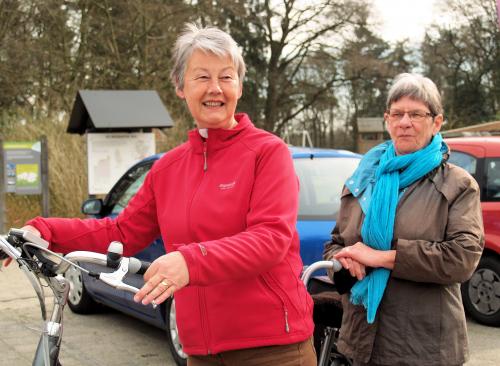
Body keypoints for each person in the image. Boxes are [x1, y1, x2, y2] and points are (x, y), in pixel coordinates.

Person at [17, 24, 317, 365]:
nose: (215, 88)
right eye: (202, 77)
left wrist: (190, 261)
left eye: (227, 77)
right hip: (200, 352)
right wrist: (46, 230)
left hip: (274, 350)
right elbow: (120, 233)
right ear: (180, 86)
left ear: (240, 86)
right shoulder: (168, 168)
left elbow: (270, 238)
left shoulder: (268, 152)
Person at [323, 73, 484, 366]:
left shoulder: (458, 185)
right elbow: (335, 244)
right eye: (397, 113)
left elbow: (462, 258)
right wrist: (345, 262)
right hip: (360, 342)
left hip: (424, 348)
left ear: (437, 122)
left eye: (416, 114)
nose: (404, 122)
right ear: (387, 120)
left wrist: (381, 257)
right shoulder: (362, 179)